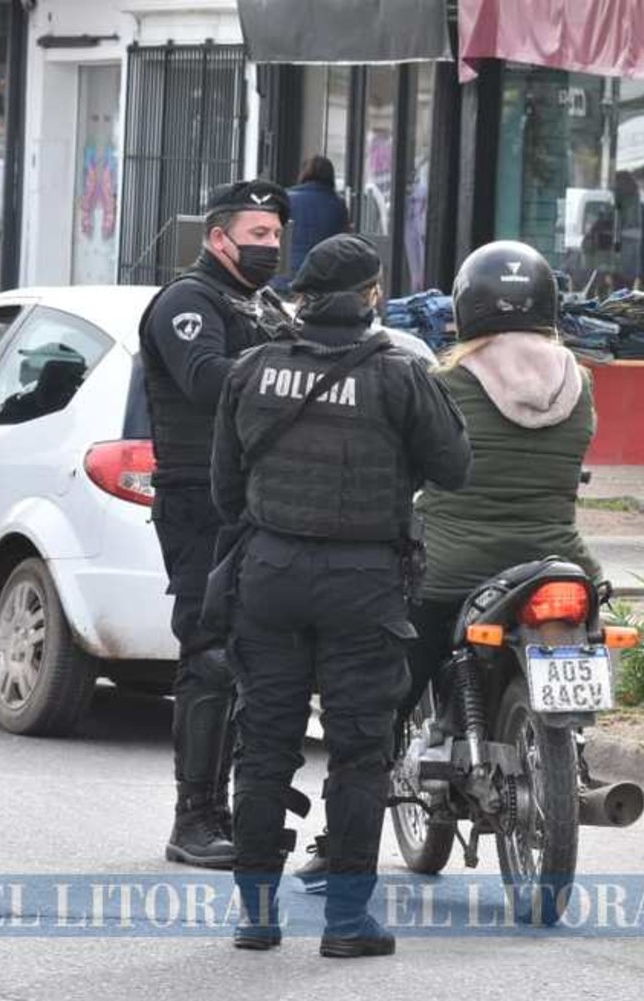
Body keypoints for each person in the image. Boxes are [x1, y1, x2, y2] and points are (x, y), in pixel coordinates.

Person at [213, 233, 471, 955]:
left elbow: (224, 489)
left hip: (267, 573)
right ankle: (347, 921)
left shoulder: (252, 368)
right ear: (368, 297)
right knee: (359, 751)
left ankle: (256, 914)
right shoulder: (398, 374)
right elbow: (454, 468)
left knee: (263, 745)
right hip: (362, 581)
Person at [139, 179, 294, 869]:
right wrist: (292, 372)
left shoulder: (263, 305)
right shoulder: (187, 302)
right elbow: (205, 378)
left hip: (260, 497)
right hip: (199, 500)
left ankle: (237, 808)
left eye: (277, 236)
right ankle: (193, 818)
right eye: (257, 235)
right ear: (217, 237)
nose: (271, 246)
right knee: (209, 655)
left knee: (253, 655)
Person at [393, 239, 602, 746]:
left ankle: (378, 761)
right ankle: (577, 741)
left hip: (451, 569)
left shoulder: (444, 382)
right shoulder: (579, 383)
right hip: (558, 563)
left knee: (390, 684)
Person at [285, 156, 350, 279]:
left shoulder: (287, 199)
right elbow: (343, 239)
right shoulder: (338, 204)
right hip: (323, 272)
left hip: (288, 270)